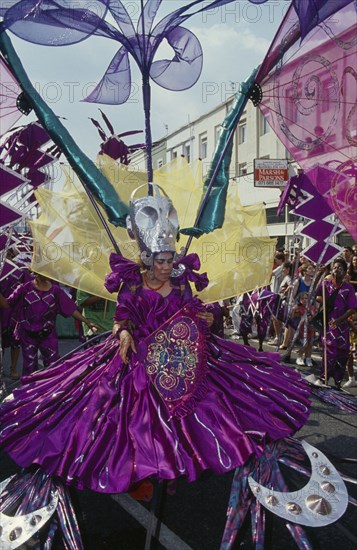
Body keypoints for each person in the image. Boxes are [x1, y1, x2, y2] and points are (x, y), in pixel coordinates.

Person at [0, 185, 310, 497]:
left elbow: (194, 313)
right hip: (137, 354)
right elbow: (121, 319)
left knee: (193, 415)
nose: (165, 267)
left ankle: (174, 467)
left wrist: (206, 319)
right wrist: (121, 333)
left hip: (177, 358)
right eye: (160, 261)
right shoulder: (132, 286)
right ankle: (140, 471)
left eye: (169, 260)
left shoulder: (180, 282)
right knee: (133, 419)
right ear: (148, 259)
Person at [1, 273, 99, 376]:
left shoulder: (56, 291)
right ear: (36, 273)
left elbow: (70, 309)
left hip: (48, 335)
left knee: (53, 366)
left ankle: (52, 390)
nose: (47, 273)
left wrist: (87, 322)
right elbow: (7, 303)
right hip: (28, 336)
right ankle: (30, 390)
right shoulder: (24, 289)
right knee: (29, 368)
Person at [315, 258, 357, 388]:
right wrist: (318, 275)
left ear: (345, 272)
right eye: (335, 267)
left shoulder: (348, 288)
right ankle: (323, 378)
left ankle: (338, 381)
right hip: (328, 324)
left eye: (340, 268)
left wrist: (340, 320)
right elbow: (316, 294)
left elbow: (353, 308)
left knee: (342, 353)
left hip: (342, 326)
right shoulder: (326, 284)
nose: (336, 270)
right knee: (328, 351)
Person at [342, 312, 357, 388]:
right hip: (350, 344)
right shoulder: (348, 321)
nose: (351, 315)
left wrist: (351, 323)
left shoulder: (351, 322)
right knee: (349, 361)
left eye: (353, 313)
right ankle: (351, 379)